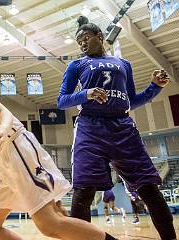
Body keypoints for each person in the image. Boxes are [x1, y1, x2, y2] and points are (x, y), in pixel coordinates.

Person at [0, 58, 118, 240]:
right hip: (0, 159)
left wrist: (2, 127)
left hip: (16, 146)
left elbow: (3, 112)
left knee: (50, 224)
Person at [57, 15, 176, 240]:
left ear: (99, 37)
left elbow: (130, 100)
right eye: (79, 40)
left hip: (123, 129)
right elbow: (62, 100)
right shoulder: (76, 64)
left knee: (149, 189)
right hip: (90, 128)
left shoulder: (123, 64)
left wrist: (154, 87)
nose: (82, 43)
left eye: (86, 38)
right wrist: (86, 93)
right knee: (83, 192)